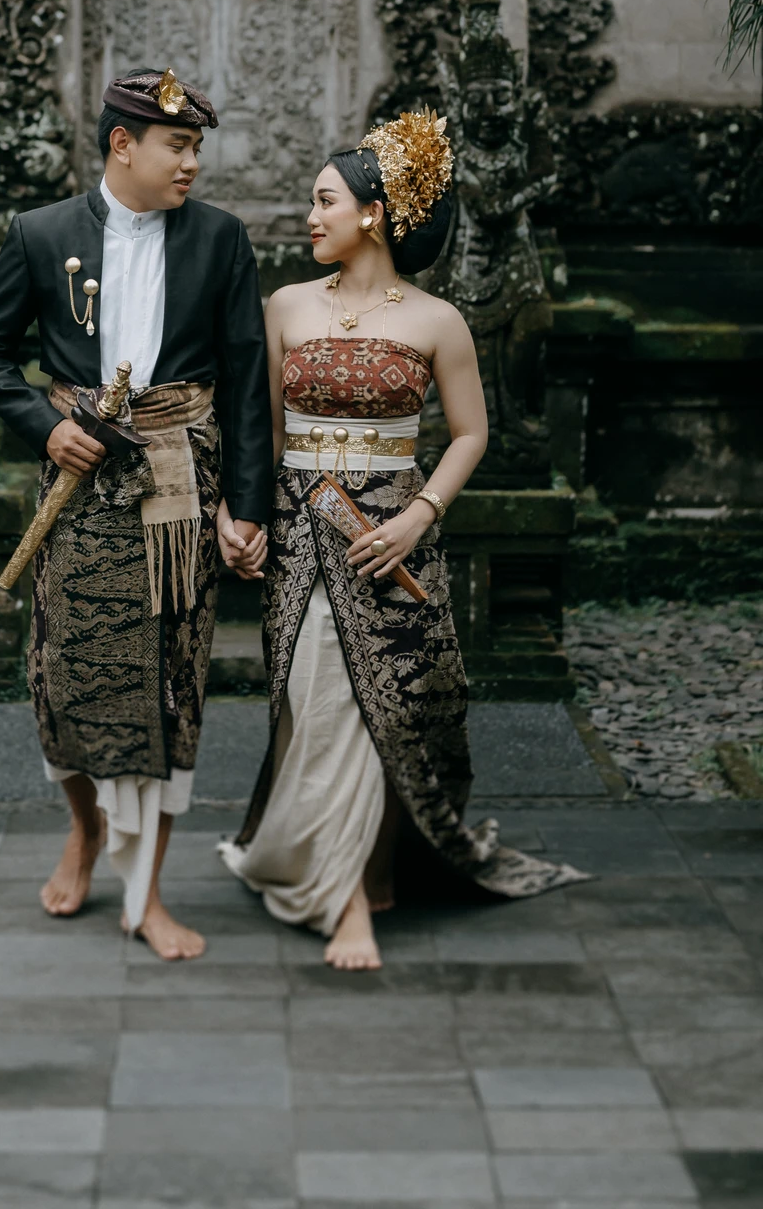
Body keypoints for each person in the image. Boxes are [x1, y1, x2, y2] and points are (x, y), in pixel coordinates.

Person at [221, 109, 585, 970]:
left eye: (324, 201)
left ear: (373, 213)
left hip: (393, 537)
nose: (309, 217)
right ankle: (343, 885)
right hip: (302, 539)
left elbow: (469, 434)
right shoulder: (284, 306)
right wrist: (237, 519)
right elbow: (258, 434)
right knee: (317, 704)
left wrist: (418, 515)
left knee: (391, 710)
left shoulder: (436, 320)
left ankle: (368, 875)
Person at [0, 67, 271, 959]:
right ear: (122, 144)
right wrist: (44, 426)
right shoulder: (41, 233)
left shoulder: (220, 239)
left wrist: (245, 507)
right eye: (178, 146)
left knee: (172, 690)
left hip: (180, 492)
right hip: (80, 492)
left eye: (196, 147)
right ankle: (86, 829)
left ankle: (146, 893)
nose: (191, 164)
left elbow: (247, 382)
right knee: (61, 681)